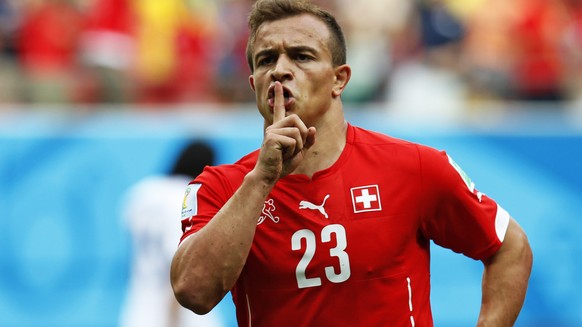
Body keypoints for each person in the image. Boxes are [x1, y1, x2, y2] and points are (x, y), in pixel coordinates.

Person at [171, 1, 533, 326]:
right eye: (267, 60)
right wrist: (261, 180)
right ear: (254, 84)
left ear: (339, 79)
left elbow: (509, 247)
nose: (280, 70)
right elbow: (193, 293)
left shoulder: (414, 167)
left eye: (301, 56)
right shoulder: (220, 187)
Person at [120, 141, 226, 327]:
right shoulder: (185, 198)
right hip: (181, 316)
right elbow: (179, 267)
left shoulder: (142, 192)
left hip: (138, 311)